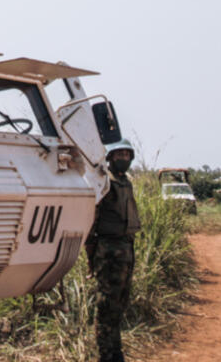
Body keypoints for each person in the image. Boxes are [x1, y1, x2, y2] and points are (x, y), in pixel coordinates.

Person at [86, 139, 141, 362]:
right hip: (108, 251)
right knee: (107, 307)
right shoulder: (104, 182)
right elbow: (92, 222)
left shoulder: (125, 182)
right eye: (120, 155)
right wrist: (91, 258)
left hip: (126, 248)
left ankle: (115, 352)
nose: (124, 159)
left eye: (127, 155)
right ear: (110, 157)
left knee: (119, 306)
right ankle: (106, 355)